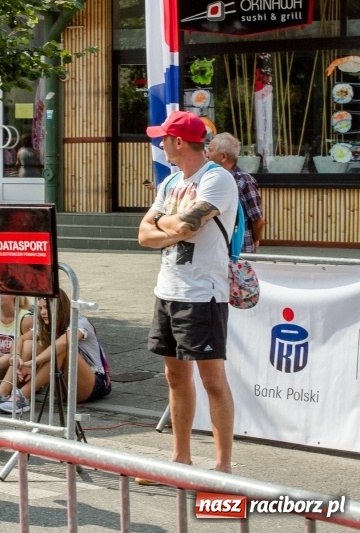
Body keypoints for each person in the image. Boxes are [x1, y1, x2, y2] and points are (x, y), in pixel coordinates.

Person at [137, 110, 239, 482]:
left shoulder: (218, 179)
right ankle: (180, 460)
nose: (159, 144)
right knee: (174, 377)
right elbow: (143, 235)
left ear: (179, 142)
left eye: (163, 138)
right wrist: (175, 229)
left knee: (212, 380)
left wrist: (169, 226)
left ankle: (223, 469)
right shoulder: (169, 183)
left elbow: (183, 225)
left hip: (204, 293)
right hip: (168, 289)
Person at [0, 290, 109, 414]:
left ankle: (23, 396)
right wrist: (16, 356)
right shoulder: (44, 324)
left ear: (60, 307)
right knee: (28, 345)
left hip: (92, 385)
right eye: (40, 308)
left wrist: (33, 363)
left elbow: (62, 344)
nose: (42, 312)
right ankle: (2, 391)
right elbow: (20, 339)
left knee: (64, 349)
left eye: (46, 307)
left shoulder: (79, 321)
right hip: (61, 385)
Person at [207, 132, 266, 253]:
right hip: (216, 250)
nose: (207, 154)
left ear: (223, 156)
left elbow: (258, 220)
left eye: (210, 150)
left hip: (239, 251)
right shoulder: (209, 179)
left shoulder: (244, 181)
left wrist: (254, 240)